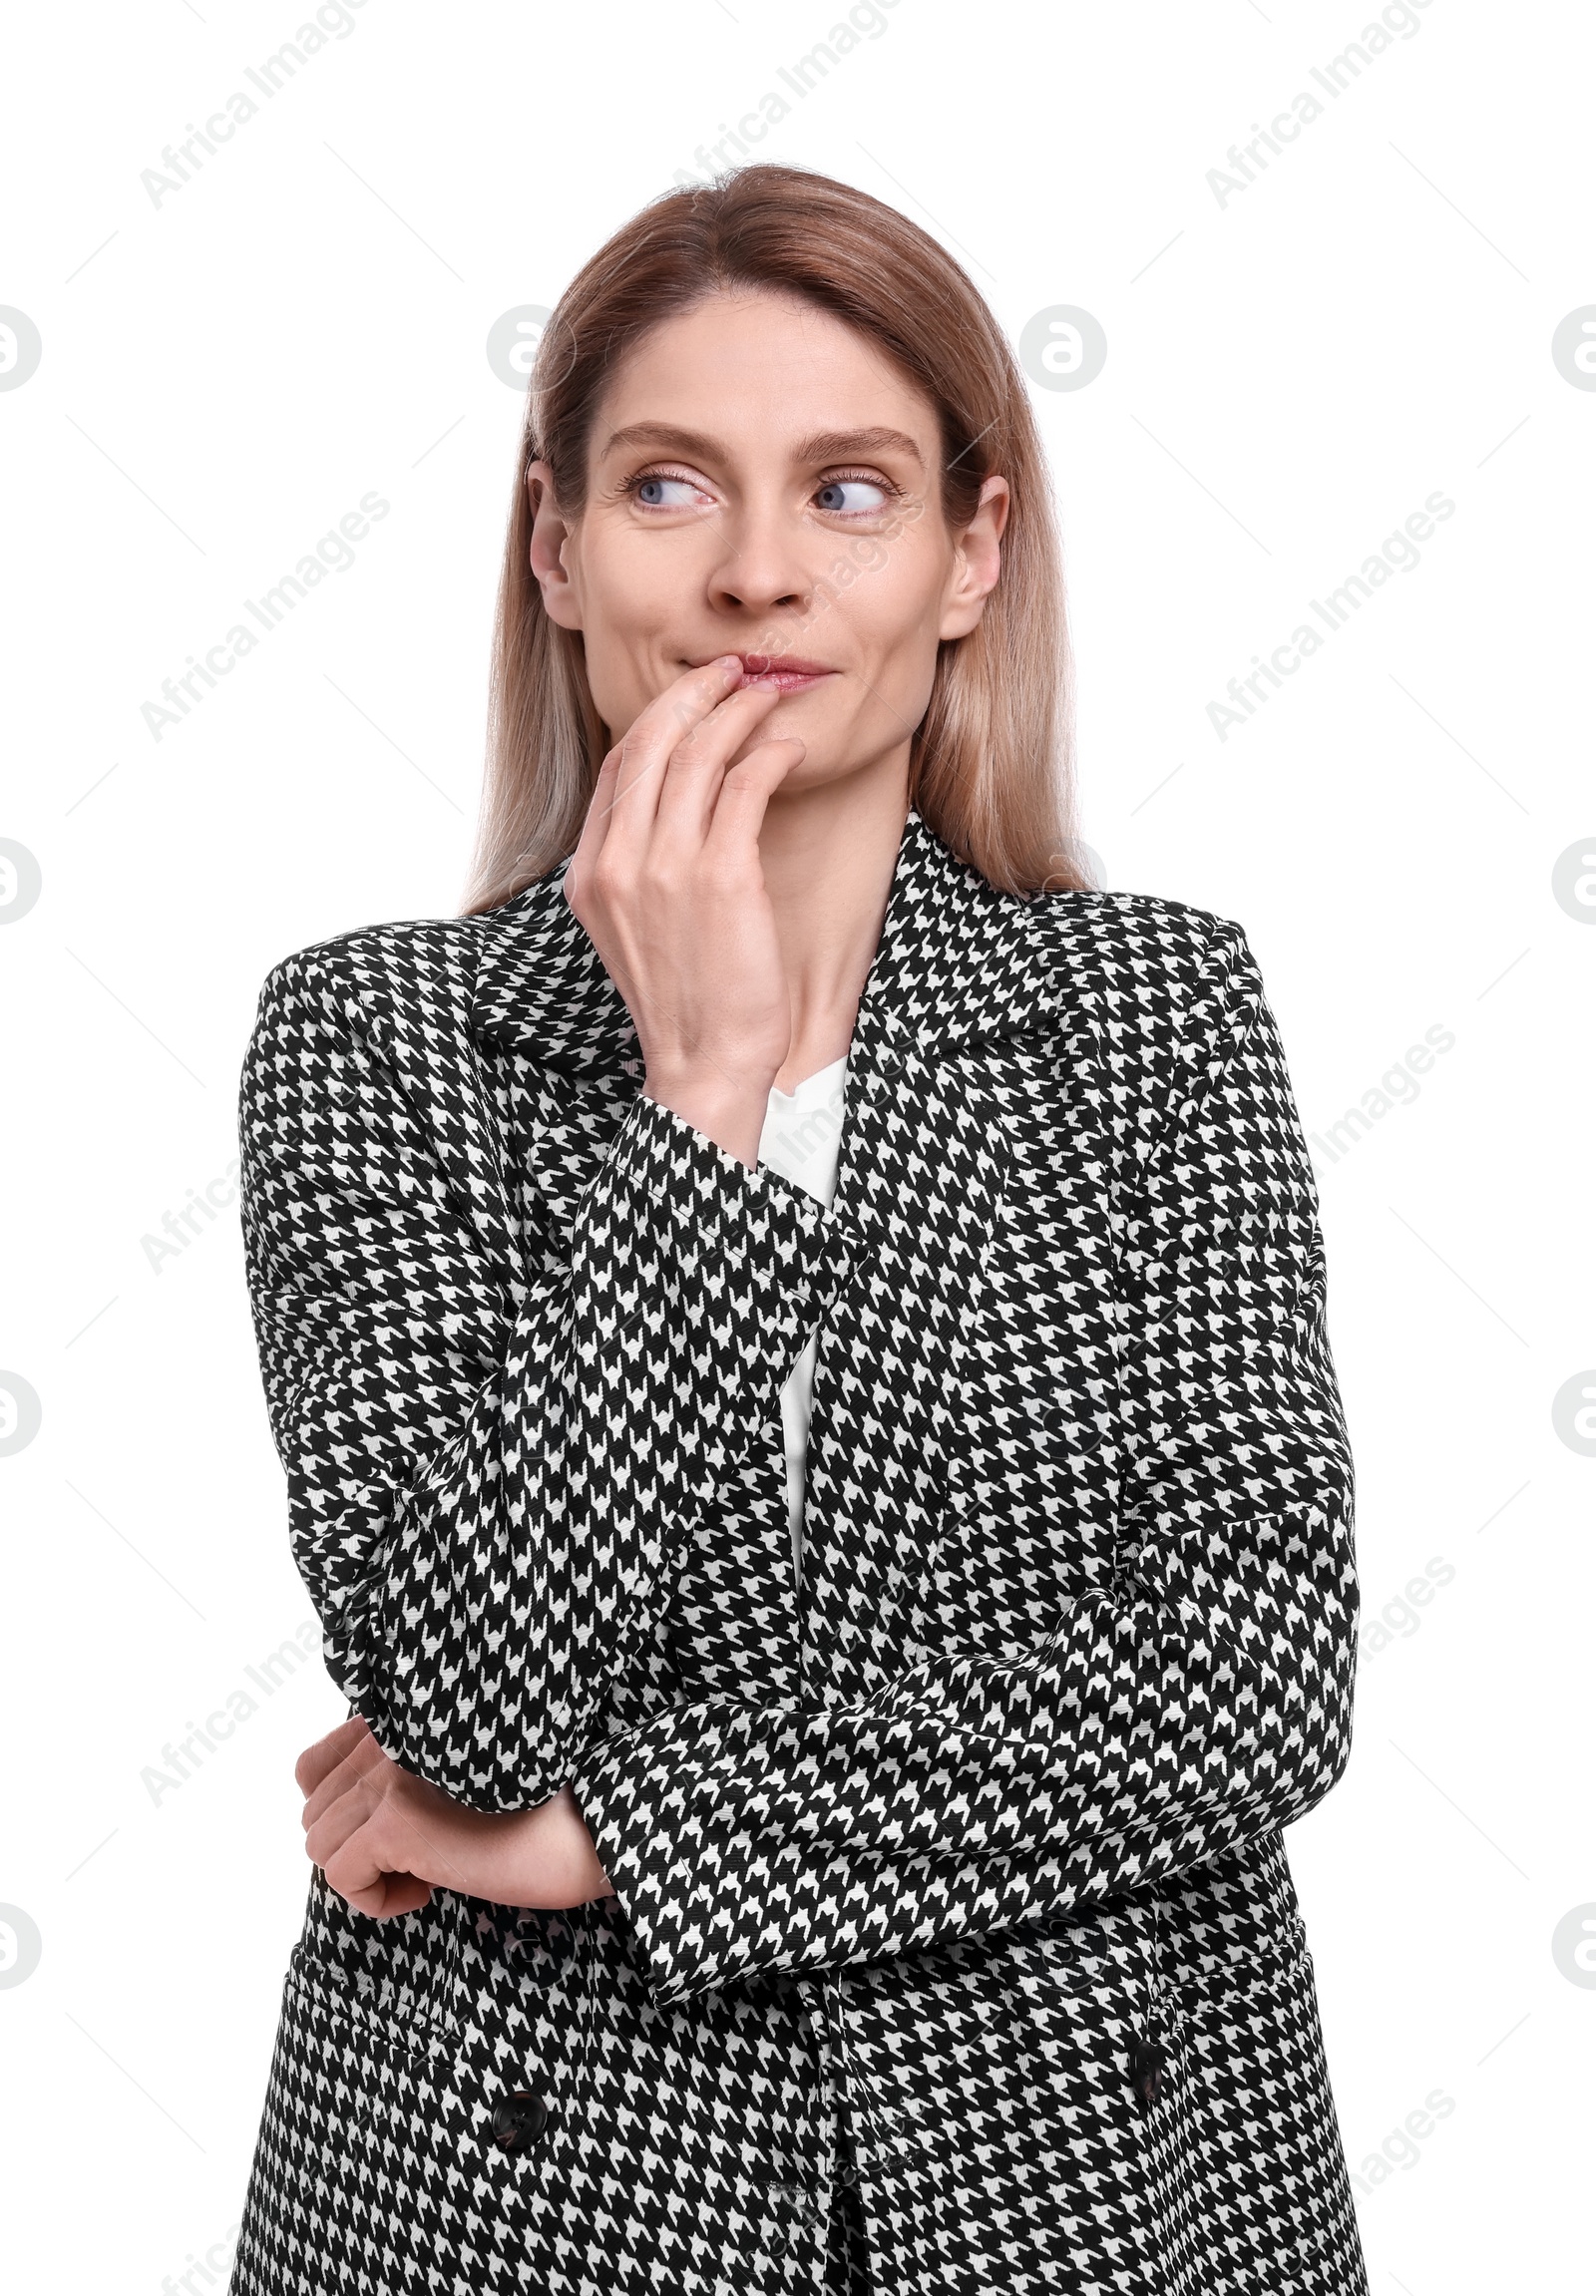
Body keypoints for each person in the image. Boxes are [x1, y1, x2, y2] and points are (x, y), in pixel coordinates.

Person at [227, 164, 1370, 2296]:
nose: (758, 574)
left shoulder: (1153, 1012)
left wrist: (615, 1835)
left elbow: (1246, 1674)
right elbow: (460, 1705)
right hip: (531, 2206)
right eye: (670, 488)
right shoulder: (372, 1039)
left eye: (848, 491)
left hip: (1086, 2193)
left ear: (971, 553)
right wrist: (703, 1101)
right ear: (556, 548)